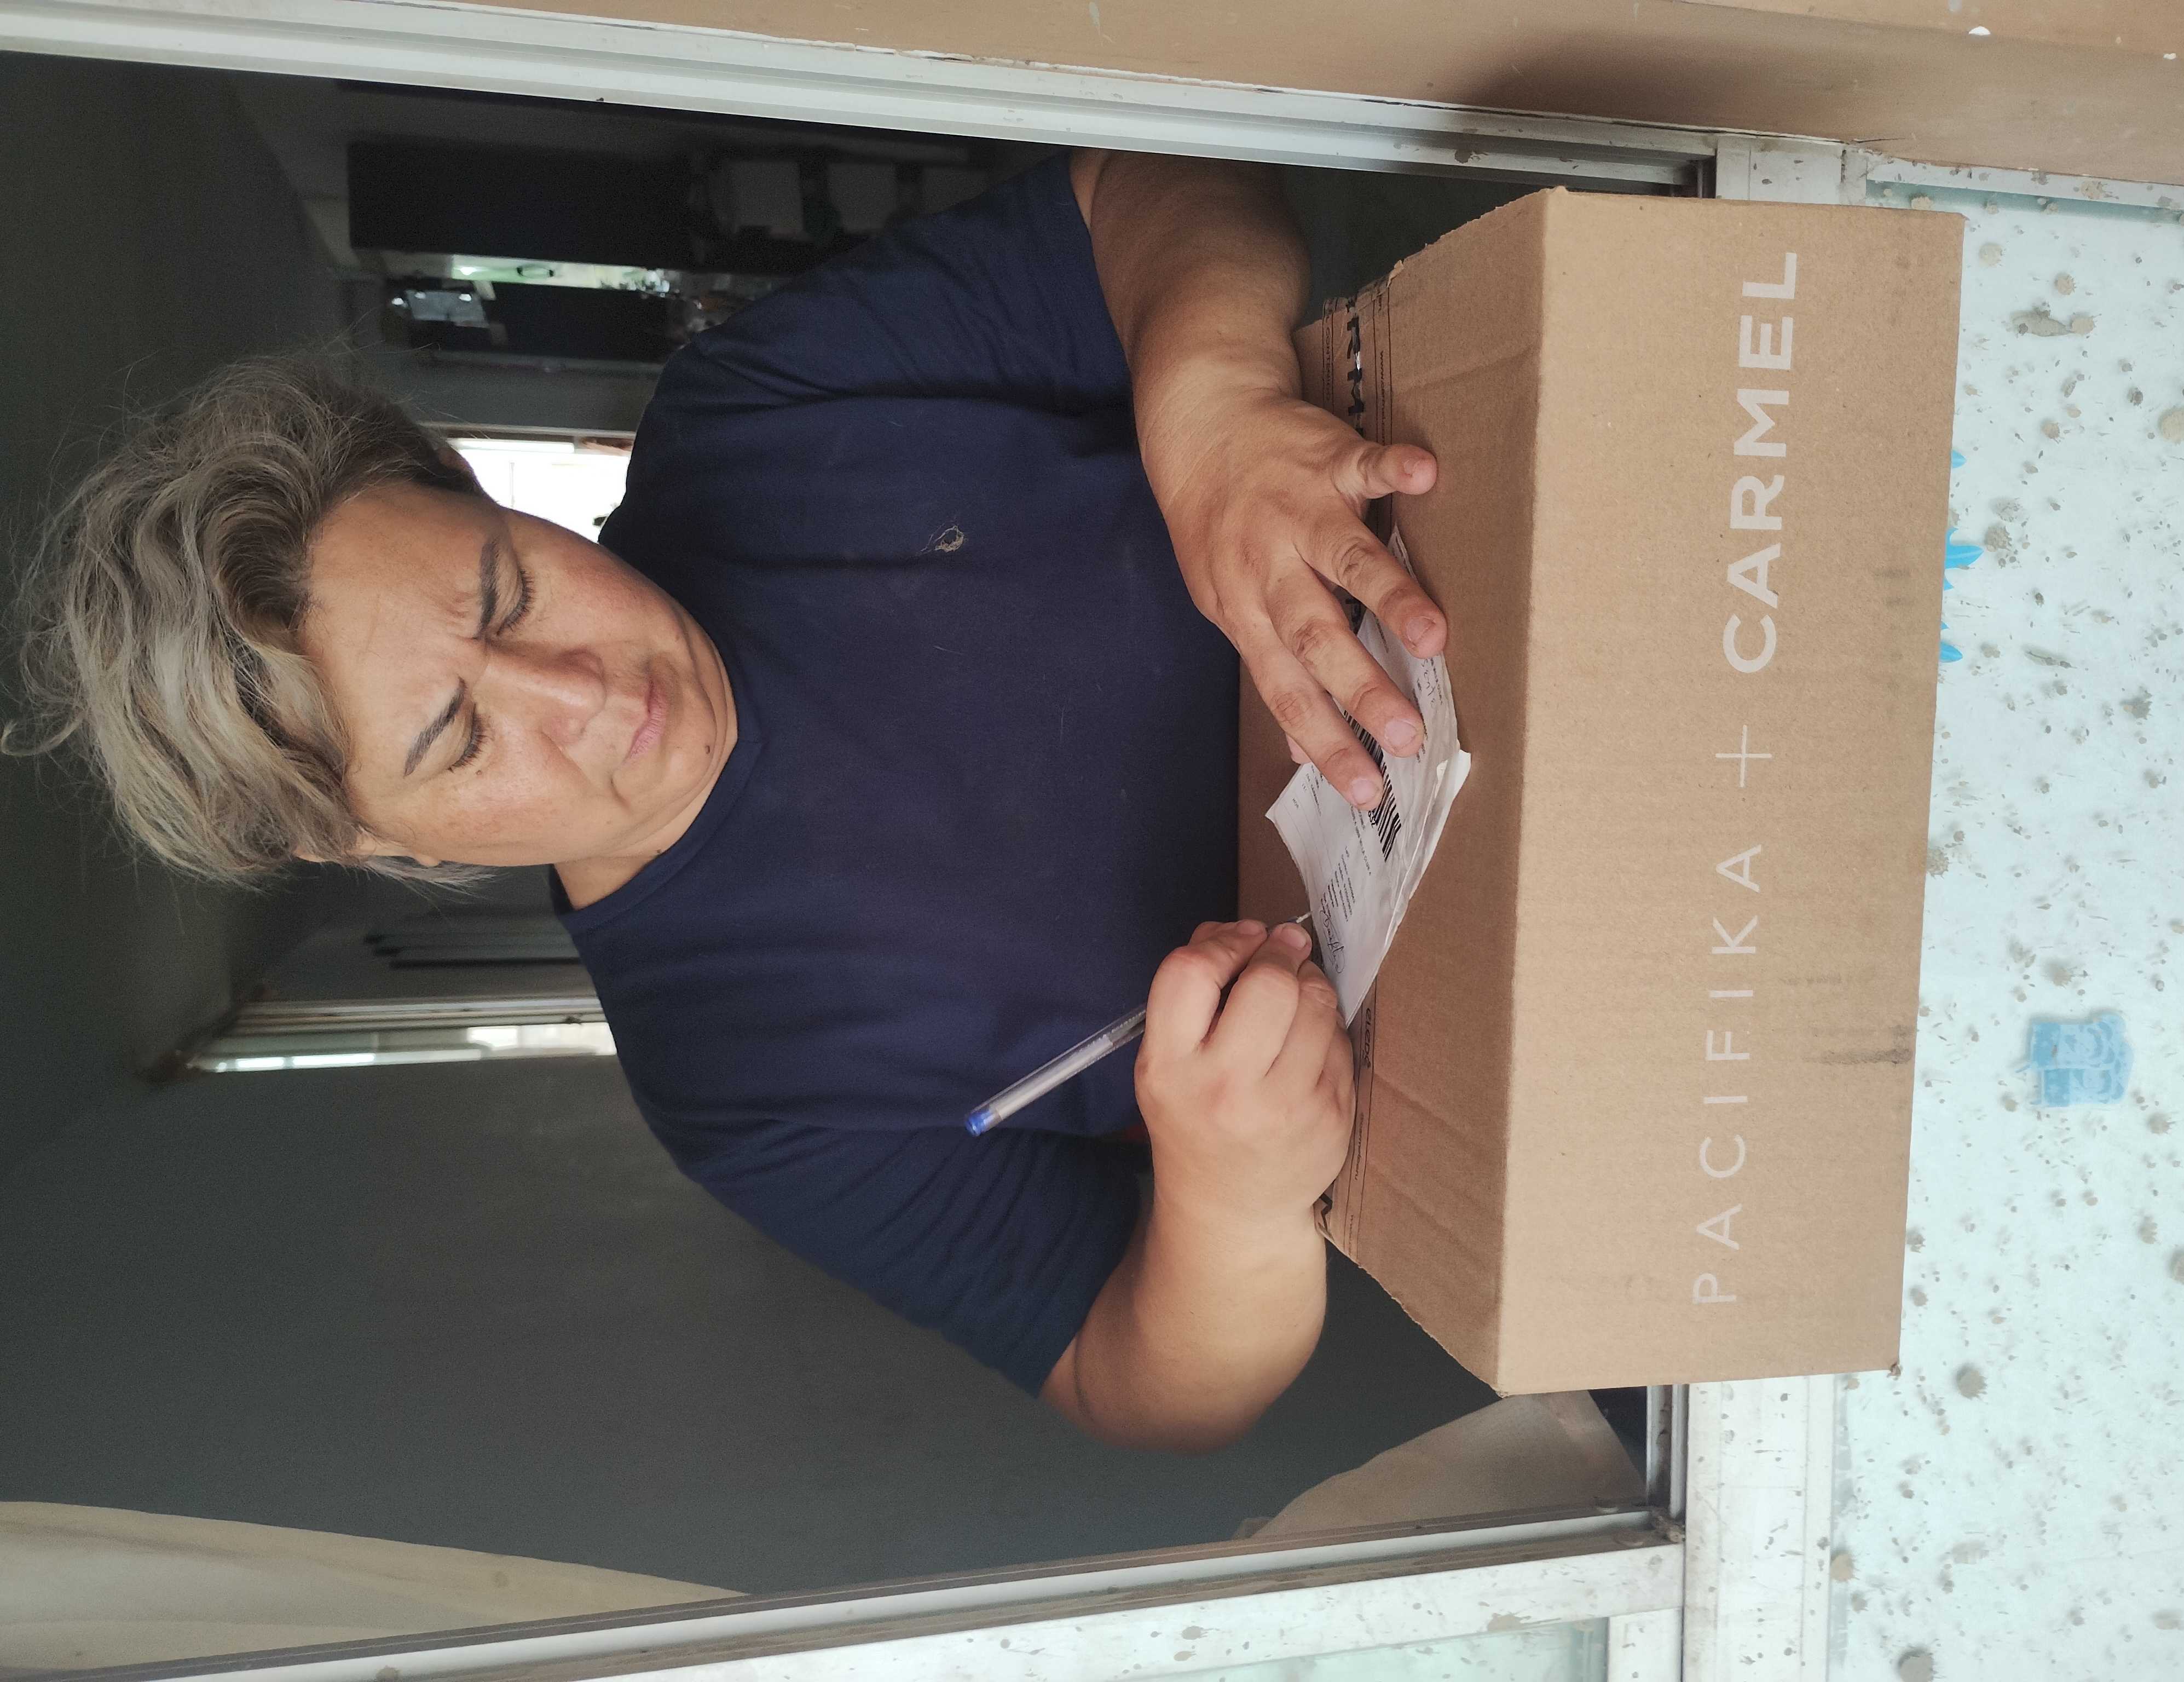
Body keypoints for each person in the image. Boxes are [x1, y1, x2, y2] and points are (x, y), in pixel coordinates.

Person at [8, 149, 1446, 1453]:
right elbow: (1138, 1383)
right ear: (372, 842)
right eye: (460, 738)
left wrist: (1209, 402)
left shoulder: (761, 408)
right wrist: (1233, 1204)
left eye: (509, 590)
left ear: (475, 488)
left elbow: (1160, 187)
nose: (581, 692)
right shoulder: (746, 1085)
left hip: (1471, 575)